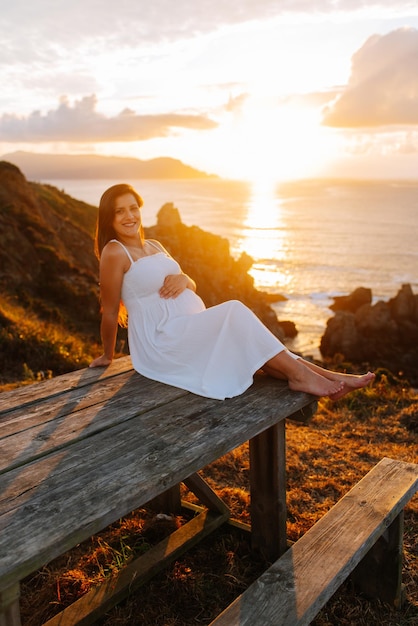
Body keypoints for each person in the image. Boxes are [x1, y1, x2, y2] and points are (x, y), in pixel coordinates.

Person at [89, 183, 375, 401]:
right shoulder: (115, 252)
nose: (129, 216)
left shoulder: (154, 245)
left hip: (190, 329)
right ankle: (303, 376)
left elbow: (189, 285)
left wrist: (185, 278)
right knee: (235, 310)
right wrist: (107, 355)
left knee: (255, 346)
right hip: (163, 341)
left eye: (133, 207)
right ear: (109, 218)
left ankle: (330, 376)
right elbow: (111, 310)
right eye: (119, 211)